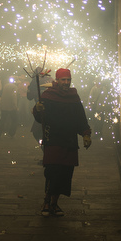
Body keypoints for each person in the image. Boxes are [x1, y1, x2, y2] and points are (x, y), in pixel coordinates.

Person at [33, 68, 91, 217]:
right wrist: (37, 109)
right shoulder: (48, 95)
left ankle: (54, 203)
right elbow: (40, 117)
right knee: (53, 172)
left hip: (69, 140)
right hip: (52, 139)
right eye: (63, 80)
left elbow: (80, 117)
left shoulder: (74, 96)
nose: (66, 83)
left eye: (68, 80)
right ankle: (46, 201)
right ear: (57, 81)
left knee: (65, 173)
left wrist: (86, 133)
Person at [27, 67, 53, 145]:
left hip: (45, 108)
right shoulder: (48, 79)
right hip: (41, 107)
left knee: (39, 131)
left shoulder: (38, 80)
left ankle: (47, 149)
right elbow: (30, 96)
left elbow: (30, 96)